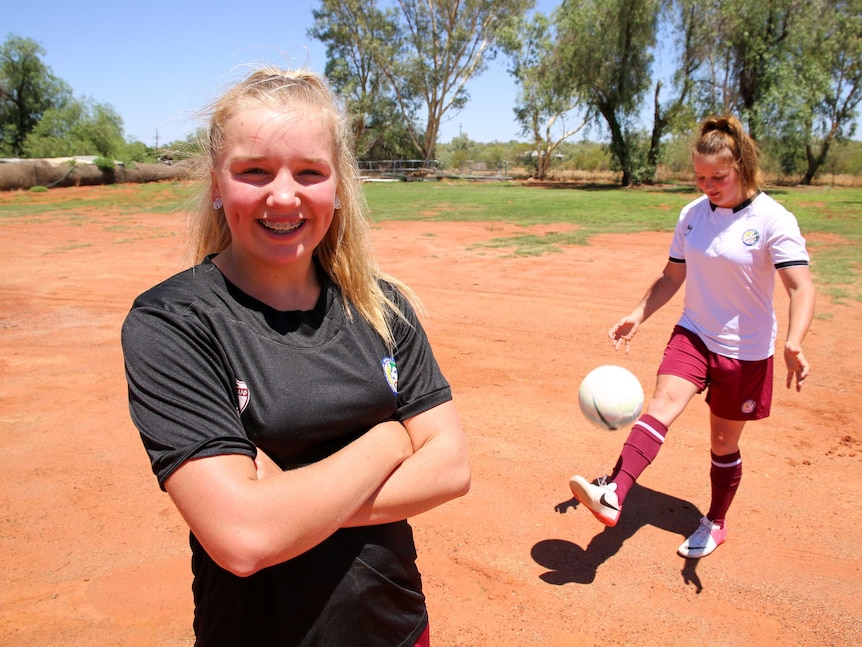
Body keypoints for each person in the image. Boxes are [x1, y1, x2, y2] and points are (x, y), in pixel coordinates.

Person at [121, 67, 471, 646]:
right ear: (216, 181)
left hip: (397, 629)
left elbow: (451, 469)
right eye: (254, 171)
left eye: (310, 172)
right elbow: (241, 538)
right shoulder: (173, 323)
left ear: (338, 186)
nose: (283, 195)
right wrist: (388, 441)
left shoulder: (385, 307)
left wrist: (284, 504)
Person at [568, 114, 815, 559]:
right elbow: (671, 276)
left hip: (745, 350)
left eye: (717, 177)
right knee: (662, 404)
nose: (707, 186)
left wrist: (794, 340)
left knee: (723, 443)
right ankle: (615, 493)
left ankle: (715, 521)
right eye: (699, 177)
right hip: (694, 333)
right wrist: (637, 314)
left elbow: (801, 286)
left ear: (741, 165)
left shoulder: (774, 218)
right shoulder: (692, 215)